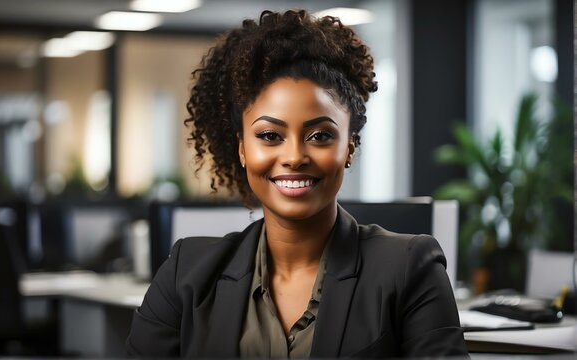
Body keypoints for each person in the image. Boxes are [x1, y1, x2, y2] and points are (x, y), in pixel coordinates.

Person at [127, 9, 468, 358]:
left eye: (320, 135)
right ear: (242, 148)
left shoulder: (409, 268)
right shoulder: (187, 272)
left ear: (349, 147)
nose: (294, 156)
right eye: (270, 135)